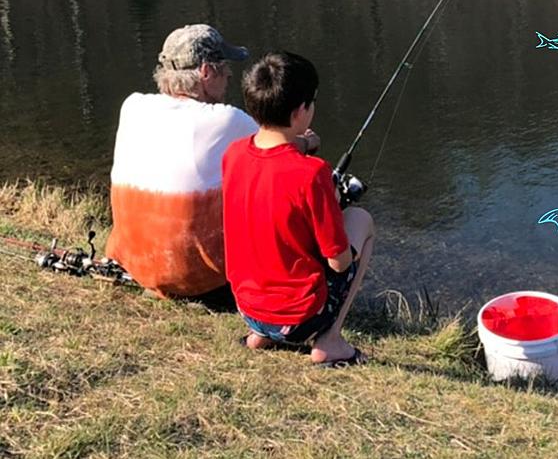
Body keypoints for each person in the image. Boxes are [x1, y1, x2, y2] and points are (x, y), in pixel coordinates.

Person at [106, 25, 318, 299]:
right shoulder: (226, 120)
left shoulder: (133, 106)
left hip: (135, 266)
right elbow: (278, 145)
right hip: (199, 281)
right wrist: (307, 142)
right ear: (206, 72)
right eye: (224, 66)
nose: (230, 74)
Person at [222, 52, 375, 366]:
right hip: (298, 320)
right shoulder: (313, 174)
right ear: (300, 112)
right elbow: (339, 262)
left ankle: (259, 335)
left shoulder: (233, 154)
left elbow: (271, 171)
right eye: (312, 101)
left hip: (247, 308)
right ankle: (329, 342)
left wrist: (303, 145)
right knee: (361, 220)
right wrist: (332, 206)